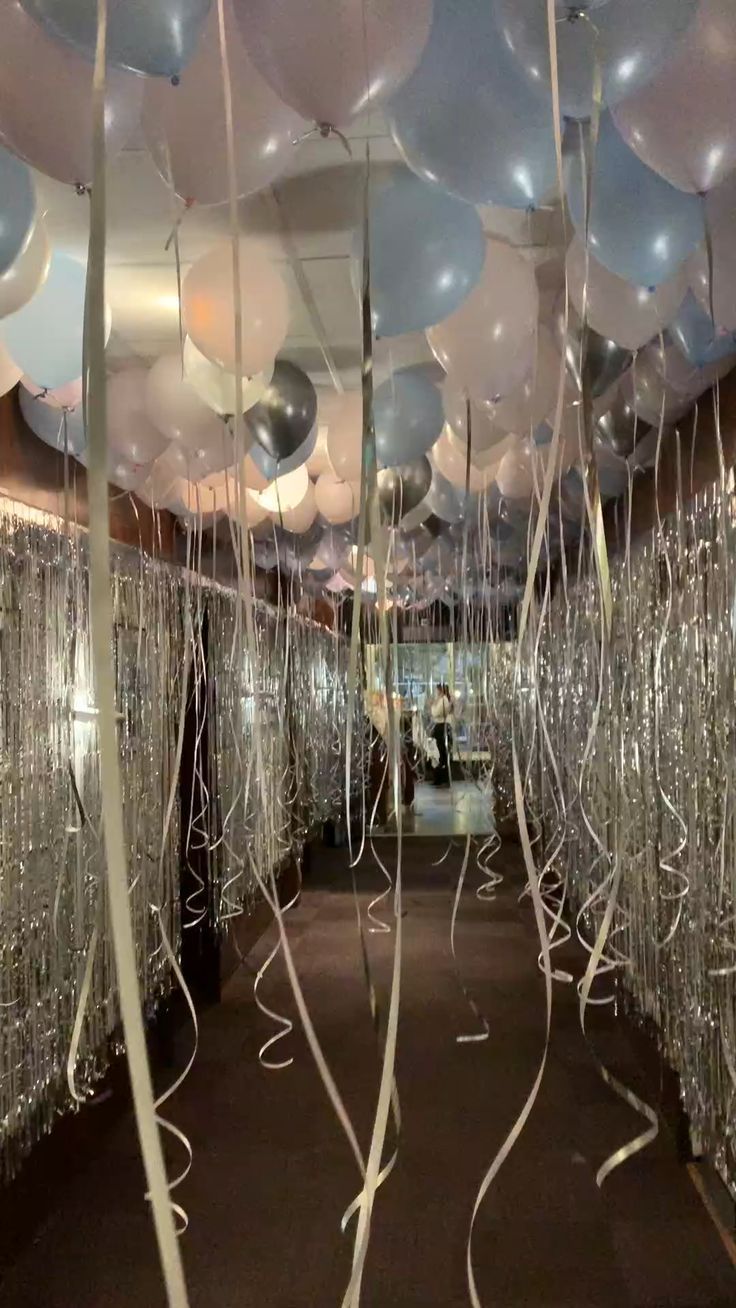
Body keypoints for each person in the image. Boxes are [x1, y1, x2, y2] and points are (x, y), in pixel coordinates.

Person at [429, 683, 454, 786]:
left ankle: (442, 778)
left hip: (442, 727)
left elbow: (436, 712)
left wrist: (432, 705)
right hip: (439, 726)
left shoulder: (444, 700)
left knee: (441, 752)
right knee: (439, 753)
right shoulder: (441, 700)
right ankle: (439, 777)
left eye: (437, 690)